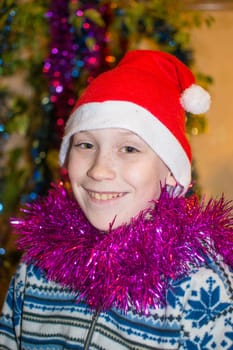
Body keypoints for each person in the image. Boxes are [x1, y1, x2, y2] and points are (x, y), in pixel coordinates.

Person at [0, 49, 233, 350]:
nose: (99, 170)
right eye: (85, 144)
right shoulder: (37, 267)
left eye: (129, 149)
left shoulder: (202, 287)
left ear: (172, 173)